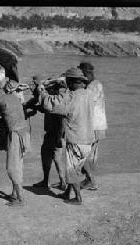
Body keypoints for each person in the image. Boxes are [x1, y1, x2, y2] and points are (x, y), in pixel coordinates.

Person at [40, 67, 95, 205]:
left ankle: (77, 198)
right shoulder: (88, 94)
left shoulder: (71, 97)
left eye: (68, 82)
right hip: (88, 138)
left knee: (71, 170)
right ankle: (67, 193)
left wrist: (41, 91)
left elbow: (49, 105)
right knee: (76, 167)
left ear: (71, 82)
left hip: (76, 139)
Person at [0, 76, 30, 207]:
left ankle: (20, 199)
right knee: (18, 164)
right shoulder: (12, 96)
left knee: (11, 168)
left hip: (15, 133)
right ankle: (15, 194)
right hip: (25, 132)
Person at [29, 74, 67, 190]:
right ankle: (58, 181)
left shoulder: (57, 99)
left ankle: (59, 181)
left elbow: (47, 107)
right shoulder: (55, 98)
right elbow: (44, 106)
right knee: (52, 156)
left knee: (54, 157)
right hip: (54, 133)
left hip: (56, 134)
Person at [78, 61, 107, 191]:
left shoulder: (91, 87)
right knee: (91, 155)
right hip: (99, 125)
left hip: (93, 125)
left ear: (85, 74)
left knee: (82, 154)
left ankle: (91, 180)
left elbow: (84, 103)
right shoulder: (97, 84)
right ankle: (89, 180)